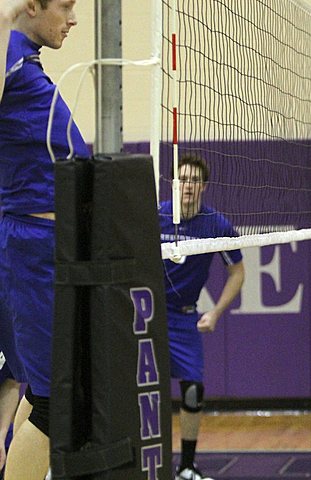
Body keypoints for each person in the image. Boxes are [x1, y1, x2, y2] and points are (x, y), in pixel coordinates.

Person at [1, 1, 88, 478]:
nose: (73, 19)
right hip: (32, 248)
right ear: (32, 5)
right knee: (54, 405)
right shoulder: (7, 48)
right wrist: (4, 14)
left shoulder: (24, 57)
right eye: (66, 6)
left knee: (45, 392)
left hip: (53, 244)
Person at [159, 154, 245, 480]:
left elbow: (237, 272)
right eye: (183, 180)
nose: (188, 187)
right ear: (174, 184)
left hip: (184, 318)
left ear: (204, 186)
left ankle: (187, 467)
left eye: (195, 181)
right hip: (149, 315)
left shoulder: (216, 225)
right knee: (140, 389)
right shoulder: (155, 215)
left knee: (193, 390)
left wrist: (216, 312)